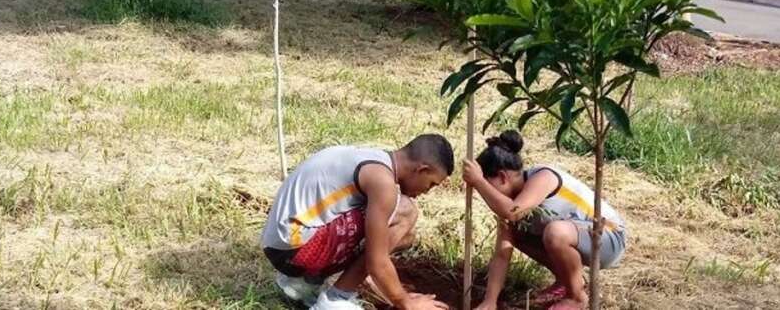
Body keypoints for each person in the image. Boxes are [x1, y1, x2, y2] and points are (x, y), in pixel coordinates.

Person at [262, 134, 454, 310]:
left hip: (282, 243)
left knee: (405, 236)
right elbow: (376, 262)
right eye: (431, 184)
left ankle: (302, 283)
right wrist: (406, 302)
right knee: (405, 212)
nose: (426, 192)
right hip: (295, 250)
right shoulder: (382, 181)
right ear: (422, 169)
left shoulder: (373, 158)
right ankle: (335, 300)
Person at [462, 130, 627, 310]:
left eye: (488, 185)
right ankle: (567, 282)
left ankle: (576, 297)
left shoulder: (543, 177)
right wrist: (490, 301)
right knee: (519, 234)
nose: (487, 195)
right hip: (579, 238)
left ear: (502, 177)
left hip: (608, 238)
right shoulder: (513, 204)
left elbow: (513, 211)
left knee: (555, 233)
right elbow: (503, 253)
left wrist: (478, 181)